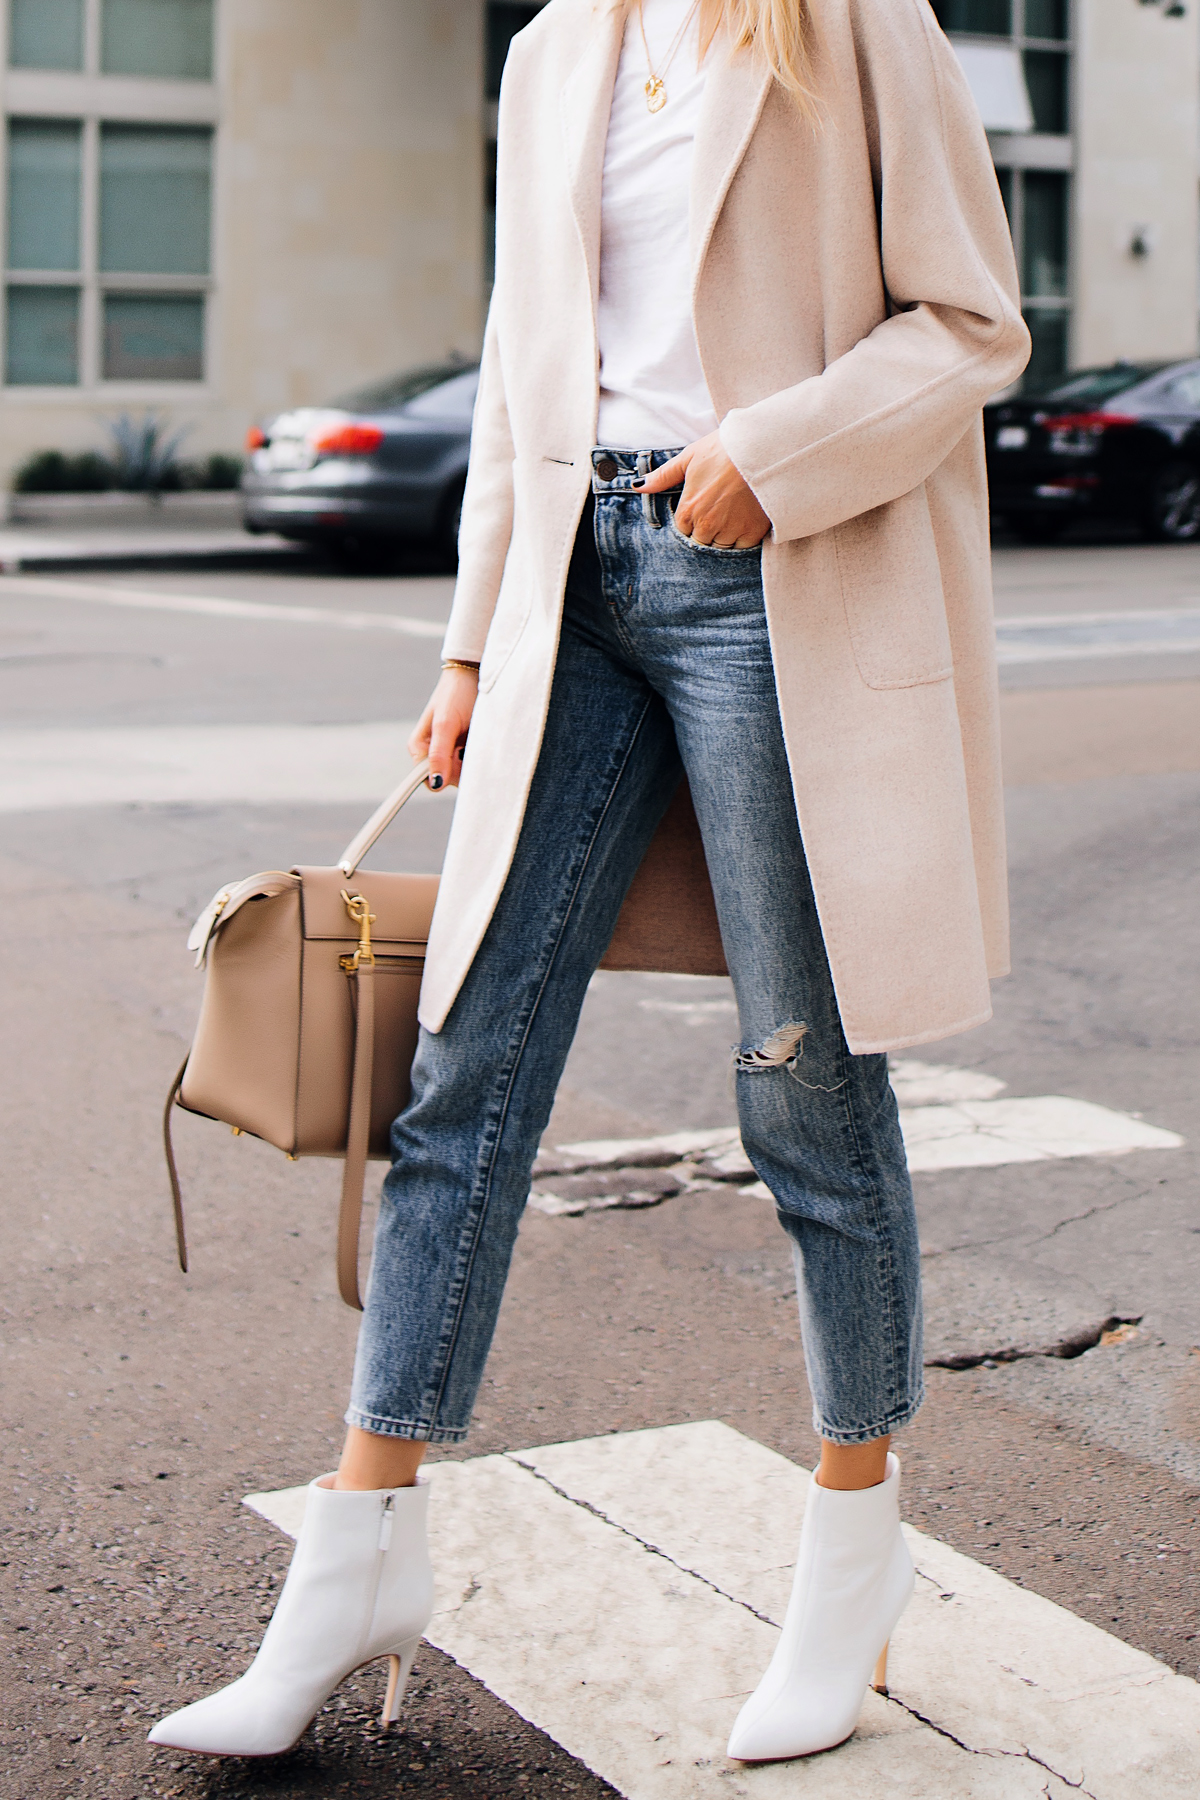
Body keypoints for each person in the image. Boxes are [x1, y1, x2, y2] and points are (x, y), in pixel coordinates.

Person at [150, 0, 1029, 1765]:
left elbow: (971, 325)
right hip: (576, 591)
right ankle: (359, 1553)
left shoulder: (856, 25)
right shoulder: (556, 46)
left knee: (806, 1078)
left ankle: (856, 1558)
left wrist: (765, 462)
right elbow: (520, 364)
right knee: (463, 1068)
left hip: (765, 570)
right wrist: (472, 639)